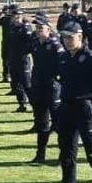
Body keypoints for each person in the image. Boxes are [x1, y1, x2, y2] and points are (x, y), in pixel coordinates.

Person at [52, 20, 92, 183]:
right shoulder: (63, 57)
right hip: (67, 108)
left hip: (85, 109)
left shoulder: (91, 57)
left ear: (80, 37)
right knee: (67, 154)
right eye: (64, 37)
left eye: (71, 37)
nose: (67, 41)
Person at [27, 12, 64, 165]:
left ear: (48, 29)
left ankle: (63, 154)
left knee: (58, 122)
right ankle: (40, 154)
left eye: (41, 27)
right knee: (41, 121)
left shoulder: (55, 45)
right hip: (38, 85)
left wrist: (56, 79)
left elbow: (62, 64)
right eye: (36, 27)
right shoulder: (35, 42)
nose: (38, 30)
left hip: (52, 87)